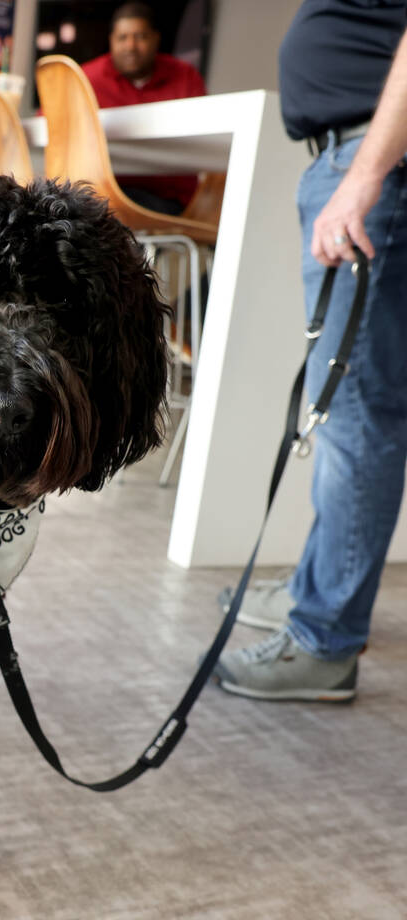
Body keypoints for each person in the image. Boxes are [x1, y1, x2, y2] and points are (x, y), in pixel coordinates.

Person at [213, 0, 407, 702]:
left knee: (356, 414)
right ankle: (316, 591)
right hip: (360, 154)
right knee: (352, 412)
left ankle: (325, 638)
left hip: (376, 159)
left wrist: (365, 173)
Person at [80, 2, 207, 215]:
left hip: (169, 197)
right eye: (122, 37)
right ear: (111, 41)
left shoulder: (185, 76)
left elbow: (205, 135)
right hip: (107, 191)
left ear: (156, 39)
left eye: (140, 37)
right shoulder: (86, 79)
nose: (131, 46)